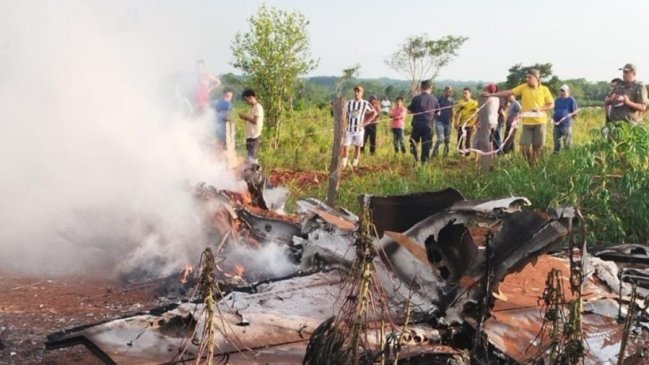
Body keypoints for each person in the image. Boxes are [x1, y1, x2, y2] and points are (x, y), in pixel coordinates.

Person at [482, 69, 554, 167]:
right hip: (527, 124)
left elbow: (551, 104)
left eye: (530, 77)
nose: (527, 79)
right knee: (524, 148)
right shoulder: (524, 87)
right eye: (527, 77)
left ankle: (534, 169)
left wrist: (540, 109)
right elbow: (509, 92)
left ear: (537, 78)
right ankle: (530, 164)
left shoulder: (544, 89)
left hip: (540, 123)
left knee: (537, 147)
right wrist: (492, 94)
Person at [342, 85, 376, 168]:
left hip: (359, 130)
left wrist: (366, 122)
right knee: (345, 147)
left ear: (362, 93)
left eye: (358, 92)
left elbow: (374, 113)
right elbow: (344, 113)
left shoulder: (365, 103)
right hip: (349, 129)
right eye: (355, 91)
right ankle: (343, 165)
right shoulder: (349, 103)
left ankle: (354, 165)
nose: (356, 93)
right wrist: (344, 122)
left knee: (357, 147)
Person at [408, 80, 440, 163]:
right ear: (430, 88)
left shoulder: (416, 98)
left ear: (421, 88)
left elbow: (409, 111)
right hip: (428, 125)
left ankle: (416, 160)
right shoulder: (434, 99)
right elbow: (438, 113)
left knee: (414, 142)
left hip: (417, 125)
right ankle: (424, 163)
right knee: (426, 144)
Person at [238, 89, 264, 164]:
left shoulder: (258, 107)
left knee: (253, 159)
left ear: (251, 97)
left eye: (246, 100)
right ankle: (253, 173)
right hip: (251, 136)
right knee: (250, 158)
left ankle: (256, 174)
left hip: (254, 137)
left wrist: (245, 116)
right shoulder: (253, 108)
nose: (246, 102)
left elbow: (255, 121)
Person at [552, 84, 579, 153]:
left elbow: (575, 112)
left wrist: (568, 118)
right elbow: (555, 110)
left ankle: (567, 155)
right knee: (556, 141)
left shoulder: (571, 100)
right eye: (561, 91)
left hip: (566, 125)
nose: (562, 93)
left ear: (568, 91)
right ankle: (556, 154)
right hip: (556, 124)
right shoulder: (557, 100)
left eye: (563, 91)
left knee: (567, 141)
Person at [454, 88, 478, 156]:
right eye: (463, 93)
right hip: (461, 124)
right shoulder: (460, 102)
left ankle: (467, 154)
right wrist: (456, 123)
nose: (464, 95)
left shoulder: (474, 103)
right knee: (460, 140)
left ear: (470, 94)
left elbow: (477, 113)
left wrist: (475, 124)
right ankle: (460, 154)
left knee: (468, 140)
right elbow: (457, 113)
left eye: (466, 93)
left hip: (470, 124)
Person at [433, 86, 454, 157]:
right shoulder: (438, 99)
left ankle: (445, 155)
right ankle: (434, 153)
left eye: (450, 91)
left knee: (447, 140)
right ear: (444, 91)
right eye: (448, 91)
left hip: (448, 123)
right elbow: (434, 110)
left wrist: (452, 121)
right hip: (439, 122)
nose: (449, 93)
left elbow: (451, 111)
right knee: (441, 139)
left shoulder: (451, 100)